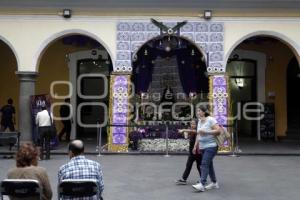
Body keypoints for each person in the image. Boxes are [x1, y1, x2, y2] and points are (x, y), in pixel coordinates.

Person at [192, 105, 221, 192]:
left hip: (211, 146)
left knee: (204, 163)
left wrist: (206, 132)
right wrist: (195, 146)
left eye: (199, 111)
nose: (198, 112)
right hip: (202, 147)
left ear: (204, 112)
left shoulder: (211, 119)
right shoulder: (200, 121)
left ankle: (202, 183)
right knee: (209, 165)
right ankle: (214, 183)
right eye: (197, 111)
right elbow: (198, 134)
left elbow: (218, 130)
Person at [176, 119, 202, 185]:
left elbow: (193, 131)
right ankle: (184, 179)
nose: (192, 125)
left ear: (197, 124)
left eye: (194, 124)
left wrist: (184, 130)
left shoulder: (198, 130)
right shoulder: (191, 131)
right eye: (191, 124)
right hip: (192, 151)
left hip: (197, 151)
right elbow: (189, 135)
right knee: (190, 165)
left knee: (197, 166)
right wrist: (185, 133)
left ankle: (184, 179)